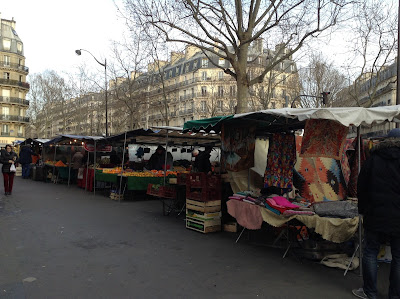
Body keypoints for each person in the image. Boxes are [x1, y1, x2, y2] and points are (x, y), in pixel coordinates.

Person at [352, 128, 400, 299]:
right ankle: (395, 295)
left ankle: (370, 292)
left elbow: (361, 187)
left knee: (371, 252)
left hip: (375, 214)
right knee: (398, 257)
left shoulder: (373, 159)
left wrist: (363, 210)